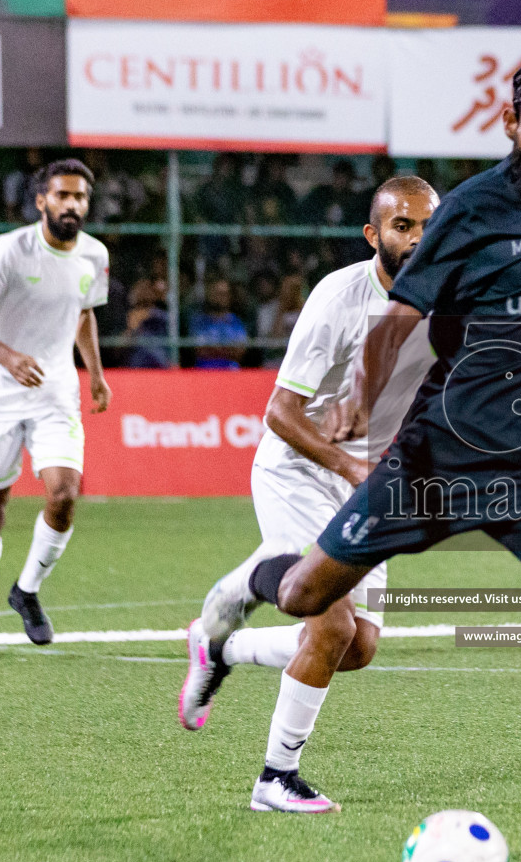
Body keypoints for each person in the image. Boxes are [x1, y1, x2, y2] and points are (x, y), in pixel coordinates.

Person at [179, 46, 521, 862]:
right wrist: (361, 405)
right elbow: (395, 320)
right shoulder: (471, 211)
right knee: (305, 597)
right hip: (437, 463)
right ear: (510, 123)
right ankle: (227, 612)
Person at [178, 177, 442, 817]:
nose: (417, 238)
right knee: (330, 622)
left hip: (367, 479)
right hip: (300, 468)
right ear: (373, 235)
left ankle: (221, 645)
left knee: (357, 650)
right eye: (402, 227)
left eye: (427, 225)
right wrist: (352, 468)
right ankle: (275, 778)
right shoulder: (338, 299)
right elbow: (280, 412)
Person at [0, 159, 113, 658]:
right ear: (42, 201)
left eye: (80, 197)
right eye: (63, 195)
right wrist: (8, 356)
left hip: (54, 393)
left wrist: (97, 375)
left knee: (64, 494)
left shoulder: (93, 255)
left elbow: (84, 313)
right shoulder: (9, 250)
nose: (72, 205)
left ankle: (25, 591)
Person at [190, 278, 249, 369]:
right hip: (204, 371)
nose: (221, 297)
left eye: (224, 294)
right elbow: (200, 350)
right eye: (217, 293)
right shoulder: (199, 321)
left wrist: (213, 348)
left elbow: (240, 352)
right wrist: (227, 349)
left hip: (231, 371)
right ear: (209, 295)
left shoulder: (236, 322)